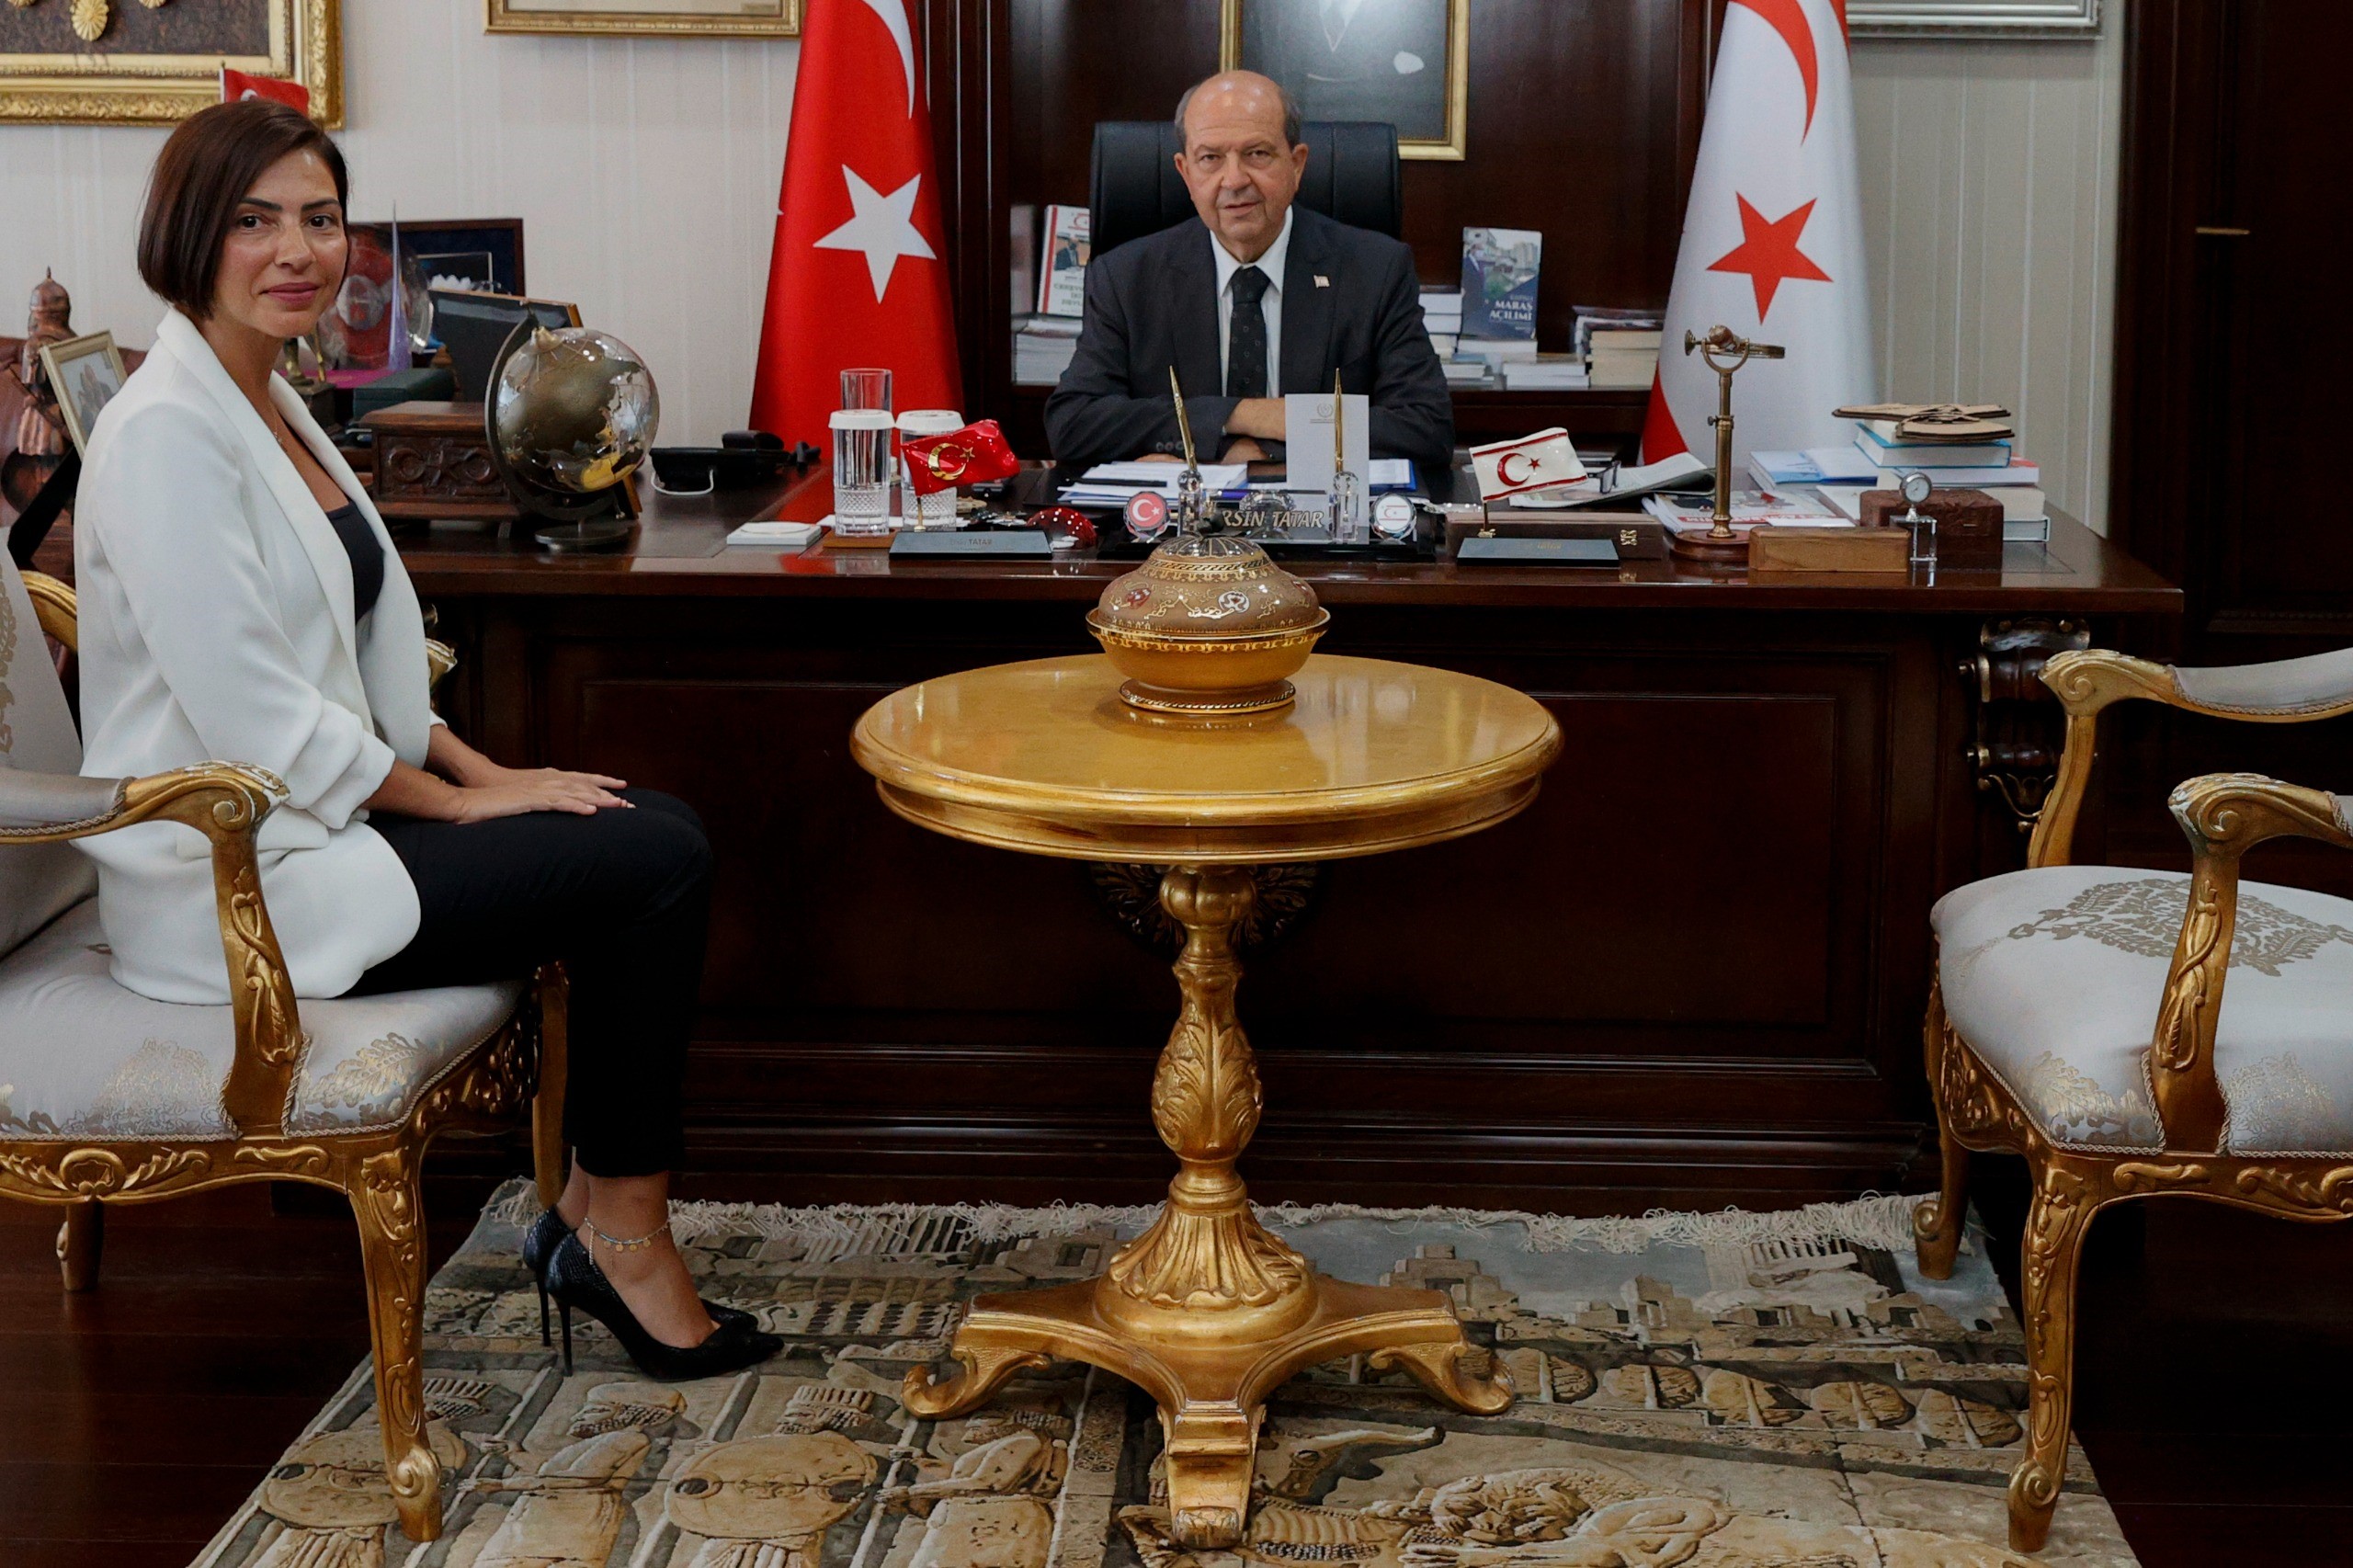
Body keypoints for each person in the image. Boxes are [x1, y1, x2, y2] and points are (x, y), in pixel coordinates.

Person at [73, 98, 779, 1381]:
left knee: (651, 824)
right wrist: (453, 806)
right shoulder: (166, 430)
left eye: (320, 218)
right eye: (253, 221)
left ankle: (595, 1213)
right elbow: (256, 711)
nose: (297, 250)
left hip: (320, 821)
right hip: (234, 874)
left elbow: (337, 660)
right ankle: (619, 1233)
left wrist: (481, 767)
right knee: (654, 862)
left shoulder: (267, 399)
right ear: (188, 234)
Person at [1043, 70, 1451, 477]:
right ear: (1185, 173)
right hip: (1181, 517)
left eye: (1257, 154)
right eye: (1210, 158)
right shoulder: (1125, 277)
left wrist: (1259, 451)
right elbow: (1073, 424)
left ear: (1296, 165)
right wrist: (1243, 415)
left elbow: (1426, 428)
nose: (1235, 180)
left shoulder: (1375, 270)